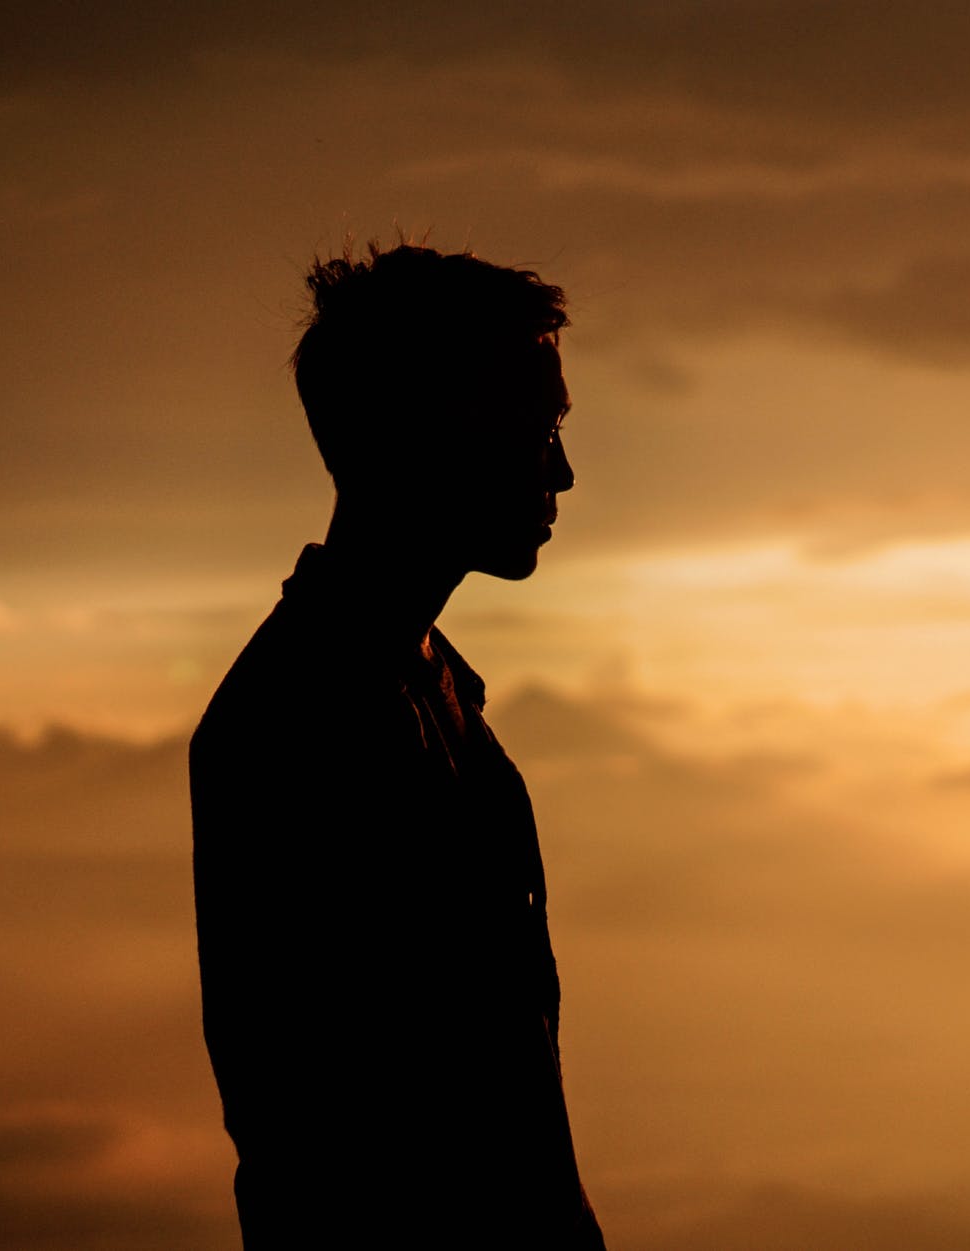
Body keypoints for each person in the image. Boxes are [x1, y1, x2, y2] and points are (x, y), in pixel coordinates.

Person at [190, 242, 605, 1247]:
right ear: (436, 432)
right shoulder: (305, 720)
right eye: (533, 427)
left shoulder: (429, 690)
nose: (561, 469)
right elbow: (330, 1126)